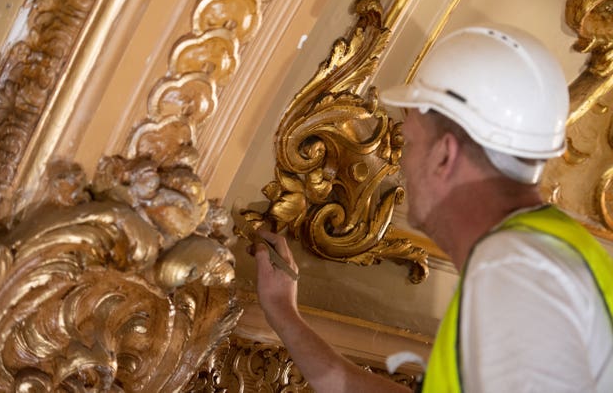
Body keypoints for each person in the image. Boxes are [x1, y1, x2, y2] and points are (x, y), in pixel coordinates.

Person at [253, 24, 613, 392]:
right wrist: (285, 315)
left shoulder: (515, 274)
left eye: (409, 142)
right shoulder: (542, 256)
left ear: (444, 155)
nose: (401, 165)